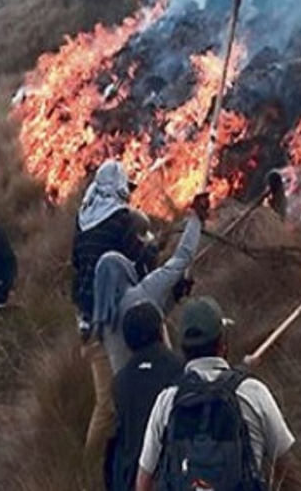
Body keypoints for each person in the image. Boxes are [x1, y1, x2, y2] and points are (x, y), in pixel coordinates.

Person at [86, 192, 207, 457]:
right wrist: (196, 220)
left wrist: (173, 299)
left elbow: (148, 319)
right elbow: (182, 257)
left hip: (127, 398)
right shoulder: (140, 293)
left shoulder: (104, 319)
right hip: (157, 387)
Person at [137, 297, 294, 491]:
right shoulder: (253, 392)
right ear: (223, 343)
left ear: (183, 348)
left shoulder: (167, 400)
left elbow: (143, 482)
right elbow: (285, 462)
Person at [74, 160, 157, 456]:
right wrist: (152, 251)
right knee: (111, 400)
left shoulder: (84, 217)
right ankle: (90, 463)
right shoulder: (122, 220)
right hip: (109, 321)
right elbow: (137, 269)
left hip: (85, 317)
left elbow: (77, 266)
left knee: (112, 395)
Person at [108, 303, 183, 491]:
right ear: (160, 331)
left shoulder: (120, 382)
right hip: (169, 476)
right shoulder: (180, 370)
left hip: (130, 478)